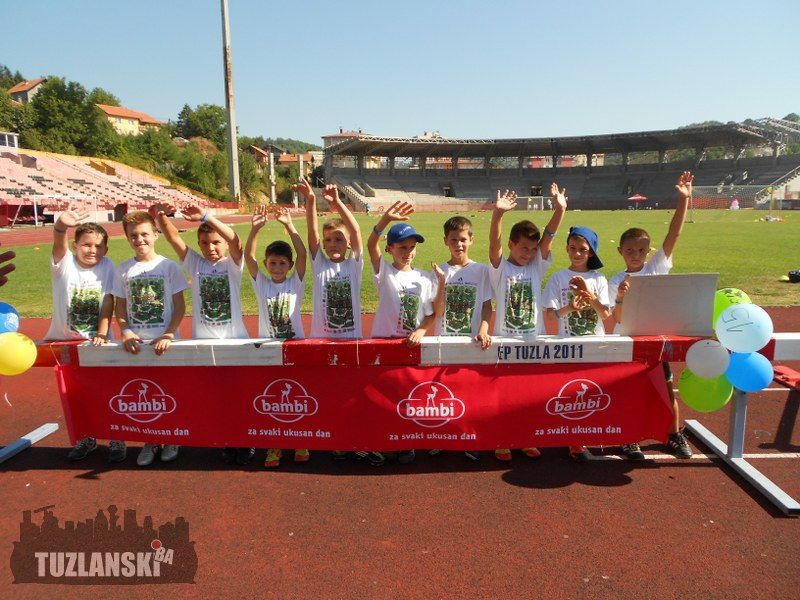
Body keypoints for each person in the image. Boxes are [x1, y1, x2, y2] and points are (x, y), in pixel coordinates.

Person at [150, 202, 255, 465]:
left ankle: (245, 440)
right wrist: (160, 217)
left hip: (234, 341)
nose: (211, 248)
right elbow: (174, 238)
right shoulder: (195, 265)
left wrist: (206, 217)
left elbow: (236, 241)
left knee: (239, 394)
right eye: (205, 243)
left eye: (216, 242)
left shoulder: (232, 264)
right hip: (203, 340)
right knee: (215, 396)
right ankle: (226, 439)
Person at [296, 178, 386, 465]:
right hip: (321, 340)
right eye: (330, 239)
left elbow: (358, 230)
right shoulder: (319, 263)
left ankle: (353, 438)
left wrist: (338, 205)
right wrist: (311, 201)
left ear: (348, 244)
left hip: (351, 340)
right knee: (324, 391)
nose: (334, 244)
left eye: (340, 239)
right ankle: (330, 437)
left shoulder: (354, 264)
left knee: (352, 392)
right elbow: (310, 232)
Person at [608, 171, 694, 460]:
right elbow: (617, 317)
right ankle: (628, 437)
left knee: (667, 389)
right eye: (630, 250)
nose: (636, 254)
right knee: (629, 391)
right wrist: (621, 295)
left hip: (657, 341)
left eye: (641, 250)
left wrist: (683, 200)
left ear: (649, 251)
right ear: (620, 251)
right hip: (629, 342)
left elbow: (674, 234)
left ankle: (674, 434)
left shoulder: (656, 266)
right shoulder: (615, 279)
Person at [489, 183, 566, 462]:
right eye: (524, 248)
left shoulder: (537, 265)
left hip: (534, 342)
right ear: (512, 244)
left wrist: (560, 210)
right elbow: (494, 245)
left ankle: (525, 438)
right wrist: (498, 216)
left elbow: (548, 238)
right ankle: (502, 439)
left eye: (532, 249)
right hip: (505, 342)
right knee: (505, 395)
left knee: (529, 394)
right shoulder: (500, 268)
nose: (529, 253)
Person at [45, 208, 124, 462]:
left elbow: (108, 299)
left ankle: (116, 438)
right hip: (68, 342)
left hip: (98, 342)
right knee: (76, 395)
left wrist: (102, 332)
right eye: (86, 245)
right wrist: (60, 227)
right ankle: (86, 438)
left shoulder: (107, 266)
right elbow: (59, 244)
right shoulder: (64, 264)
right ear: (75, 245)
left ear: (106, 250)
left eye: (99, 246)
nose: (92, 250)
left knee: (107, 391)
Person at [112, 211, 189, 467]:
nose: (139, 239)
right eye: (133, 235)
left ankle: (173, 436)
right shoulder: (123, 269)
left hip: (165, 343)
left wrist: (169, 333)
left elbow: (179, 306)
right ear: (126, 238)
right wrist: (126, 331)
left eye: (145, 234)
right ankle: (151, 439)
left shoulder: (168, 267)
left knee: (170, 392)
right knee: (146, 397)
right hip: (137, 345)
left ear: (155, 235)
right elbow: (120, 308)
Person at [367, 201, 437, 464]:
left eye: (411, 247)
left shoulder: (425, 277)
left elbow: (431, 313)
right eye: (401, 247)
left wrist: (421, 330)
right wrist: (385, 219)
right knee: (383, 394)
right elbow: (370, 245)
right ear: (390, 249)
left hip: (411, 345)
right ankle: (384, 440)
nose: (407, 252)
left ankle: (407, 440)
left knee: (410, 394)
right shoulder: (383, 272)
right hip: (384, 342)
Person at [245, 203, 309, 468]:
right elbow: (248, 258)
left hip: (295, 347)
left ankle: (301, 439)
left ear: (290, 265)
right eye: (272, 263)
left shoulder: (296, 281)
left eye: (283, 263)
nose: (277, 267)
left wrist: (290, 226)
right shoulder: (262, 283)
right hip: (269, 349)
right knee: (272, 399)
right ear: (266, 264)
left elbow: (304, 254)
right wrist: (255, 230)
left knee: (298, 396)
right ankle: (274, 445)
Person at [543, 225, 610, 462]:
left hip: (594, 346)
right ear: (567, 248)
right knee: (570, 392)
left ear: (591, 252)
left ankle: (588, 433)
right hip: (568, 345)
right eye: (573, 248)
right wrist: (570, 307)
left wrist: (587, 293)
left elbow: (605, 314)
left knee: (593, 391)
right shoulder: (558, 277)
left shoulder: (599, 278)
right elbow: (551, 316)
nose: (577, 253)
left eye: (583, 249)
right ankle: (573, 439)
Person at [431, 215, 493, 460]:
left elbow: (487, 305)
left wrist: (485, 328)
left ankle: (469, 438)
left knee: (470, 390)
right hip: (444, 340)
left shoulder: (481, 271)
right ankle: (443, 437)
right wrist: (441, 284)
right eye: (454, 240)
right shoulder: (439, 271)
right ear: (446, 241)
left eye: (463, 239)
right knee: (444, 391)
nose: (459, 244)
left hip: (471, 342)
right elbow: (437, 311)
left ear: (471, 240)